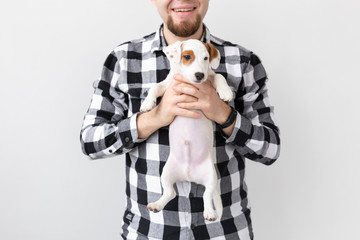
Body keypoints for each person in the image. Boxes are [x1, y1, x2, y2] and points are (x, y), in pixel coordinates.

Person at [80, 0, 281, 239]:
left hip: (224, 232)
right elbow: (90, 142)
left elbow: (270, 149)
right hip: (150, 232)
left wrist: (223, 114)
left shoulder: (243, 62)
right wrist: (154, 117)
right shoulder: (124, 60)